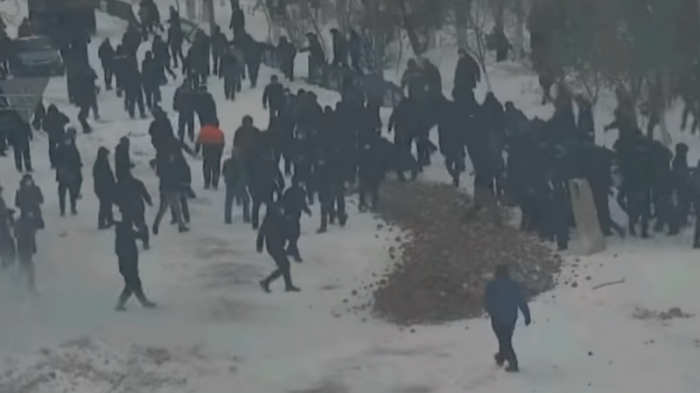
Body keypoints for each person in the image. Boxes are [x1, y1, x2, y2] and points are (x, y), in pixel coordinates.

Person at [484, 265, 531, 372]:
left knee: (504, 339)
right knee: (506, 338)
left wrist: (491, 311)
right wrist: (526, 315)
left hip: (498, 316)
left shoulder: (491, 285)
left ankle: (513, 363)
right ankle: (501, 357)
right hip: (511, 316)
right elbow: (520, 300)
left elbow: (488, 301)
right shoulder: (514, 285)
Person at [257, 203, 300, 293]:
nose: (282, 211)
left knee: (285, 265)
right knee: (285, 265)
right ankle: (267, 282)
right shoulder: (270, 220)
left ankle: (286, 285)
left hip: (278, 245)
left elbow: (286, 231)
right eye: (280, 209)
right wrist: (259, 246)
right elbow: (261, 234)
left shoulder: (280, 219)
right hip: (273, 247)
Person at [115, 221, 156, 311]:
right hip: (129, 266)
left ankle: (142, 301)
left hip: (126, 266)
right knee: (133, 284)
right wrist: (143, 229)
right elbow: (142, 236)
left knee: (133, 284)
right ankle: (122, 303)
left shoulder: (120, 237)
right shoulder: (128, 233)